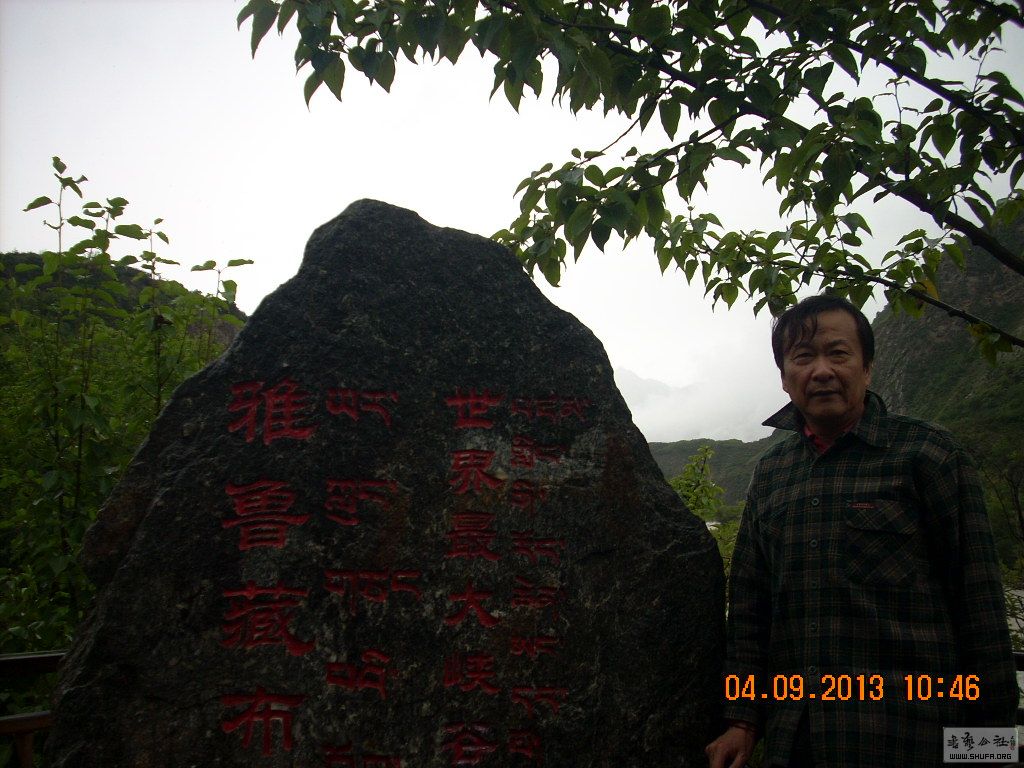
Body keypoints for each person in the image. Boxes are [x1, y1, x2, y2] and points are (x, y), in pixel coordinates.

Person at [705, 294, 1018, 768]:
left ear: (867, 368)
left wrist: (988, 751)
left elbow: (981, 610)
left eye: (838, 353)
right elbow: (751, 609)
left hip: (912, 738)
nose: (822, 371)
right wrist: (742, 721)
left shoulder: (929, 455)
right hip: (798, 741)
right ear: (785, 378)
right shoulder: (771, 473)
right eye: (803, 357)